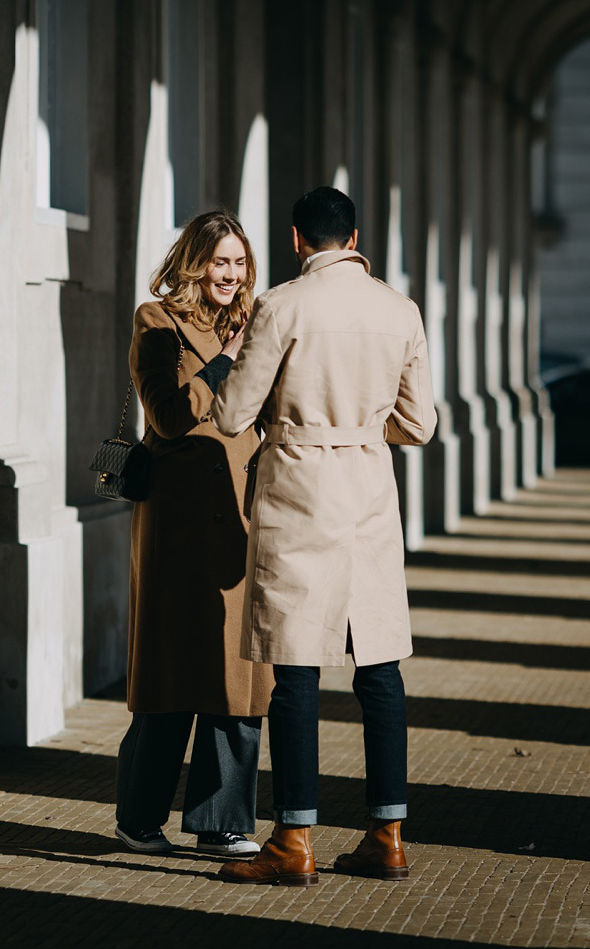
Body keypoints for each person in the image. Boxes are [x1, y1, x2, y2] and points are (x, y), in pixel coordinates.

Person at [207, 186, 437, 886]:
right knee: (380, 666)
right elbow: (421, 425)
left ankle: (294, 841)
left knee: (296, 667)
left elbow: (230, 413)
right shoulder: (400, 310)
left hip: (299, 488)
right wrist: (365, 429)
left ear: (298, 239)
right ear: (356, 236)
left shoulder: (282, 304)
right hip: (368, 490)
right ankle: (389, 834)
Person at [114, 209, 274, 858]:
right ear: (194, 262)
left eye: (239, 263)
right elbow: (170, 415)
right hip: (177, 520)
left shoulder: (258, 319)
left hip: (240, 512)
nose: (231, 275)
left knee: (238, 673)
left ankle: (221, 821)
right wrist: (228, 361)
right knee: (170, 669)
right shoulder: (157, 322)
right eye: (220, 262)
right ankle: (138, 817)